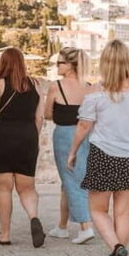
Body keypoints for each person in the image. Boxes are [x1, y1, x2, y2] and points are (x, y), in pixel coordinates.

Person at [68, 40, 129, 256]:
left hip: (103, 155)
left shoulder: (96, 92)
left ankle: (116, 248)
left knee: (97, 210)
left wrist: (73, 151)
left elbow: (84, 125)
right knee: (123, 214)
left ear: (104, 62)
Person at [0, 48, 47, 247]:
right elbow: (40, 117)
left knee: (4, 189)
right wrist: (31, 136)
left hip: (3, 138)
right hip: (27, 137)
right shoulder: (35, 84)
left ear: (3, 63)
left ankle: (5, 234)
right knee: (27, 188)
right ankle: (34, 217)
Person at [45, 47, 95, 245]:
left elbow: (47, 114)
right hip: (86, 134)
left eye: (60, 63)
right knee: (72, 178)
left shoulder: (56, 86)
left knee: (72, 180)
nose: (57, 66)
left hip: (65, 134)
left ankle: (85, 226)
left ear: (71, 65)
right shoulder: (89, 87)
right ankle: (62, 226)